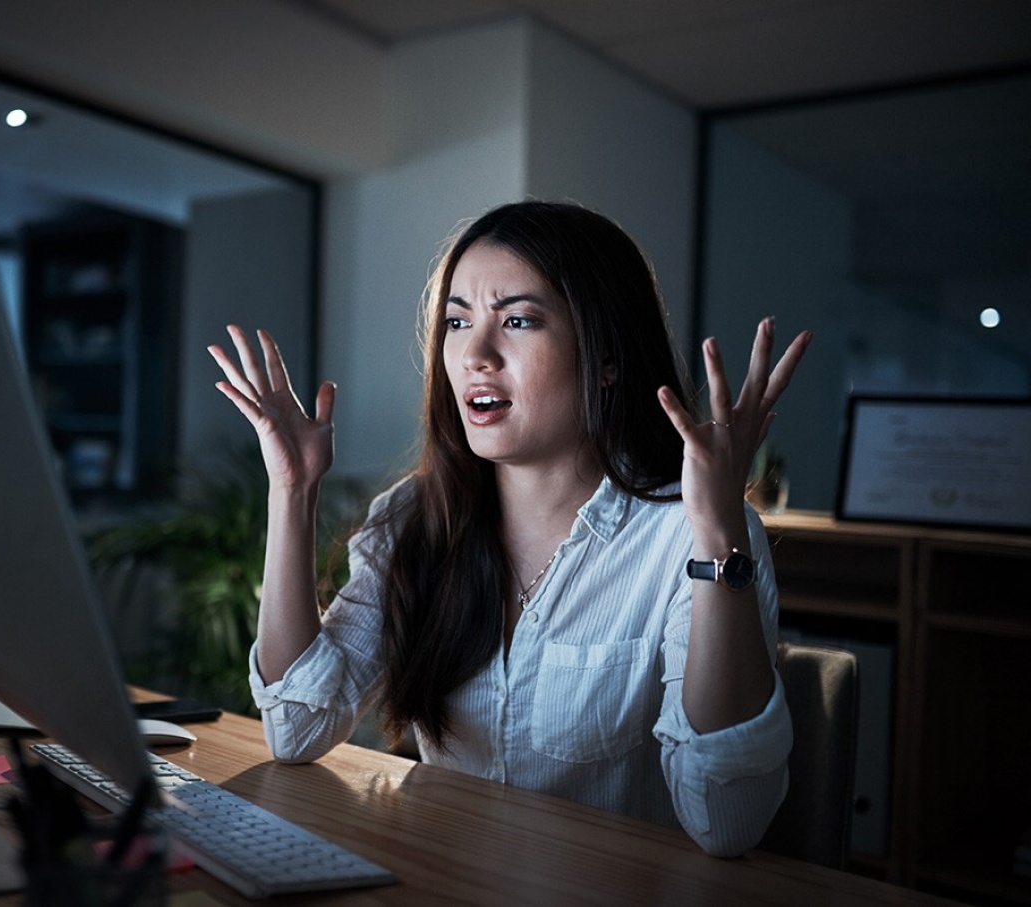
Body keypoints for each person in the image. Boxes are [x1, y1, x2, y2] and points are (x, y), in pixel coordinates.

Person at [207, 200, 812, 857]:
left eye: (518, 319)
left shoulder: (691, 535)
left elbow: (726, 822)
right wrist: (292, 493)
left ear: (607, 356)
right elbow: (295, 727)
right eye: (457, 321)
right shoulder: (415, 516)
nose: (476, 353)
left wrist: (718, 536)